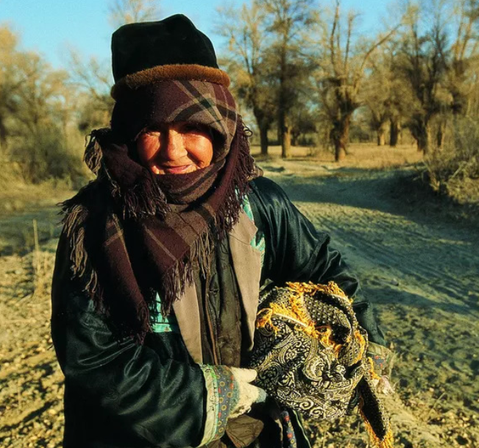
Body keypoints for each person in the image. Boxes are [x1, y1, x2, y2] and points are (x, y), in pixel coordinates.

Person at [50, 15, 390, 448]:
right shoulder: (95, 226)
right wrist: (207, 397)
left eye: (191, 126)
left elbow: (325, 270)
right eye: (153, 129)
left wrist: (365, 343)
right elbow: (93, 359)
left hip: (255, 434)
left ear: (220, 125)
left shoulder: (258, 204)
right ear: (129, 133)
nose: (174, 151)